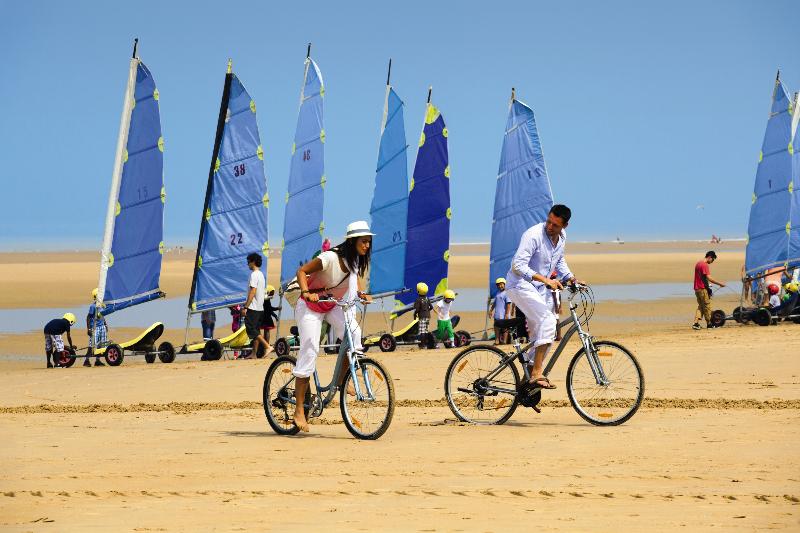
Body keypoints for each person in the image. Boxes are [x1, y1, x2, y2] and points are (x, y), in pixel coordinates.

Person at [292, 220, 373, 432]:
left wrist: (362, 295)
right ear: (353, 241)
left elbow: (355, 283)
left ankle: (341, 381)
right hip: (310, 306)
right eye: (364, 241)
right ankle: (299, 409)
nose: (367, 246)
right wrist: (305, 292)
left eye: (368, 242)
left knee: (354, 334)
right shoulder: (329, 258)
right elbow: (302, 271)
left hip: (331, 305)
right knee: (310, 348)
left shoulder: (355, 262)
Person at [505, 205, 582, 390]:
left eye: (555, 225)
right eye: (548, 221)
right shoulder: (533, 235)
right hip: (520, 285)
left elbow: (559, 260)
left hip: (540, 289)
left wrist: (571, 278)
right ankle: (537, 374)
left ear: (565, 226)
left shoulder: (562, 237)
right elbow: (518, 266)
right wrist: (546, 280)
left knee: (545, 334)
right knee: (548, 321)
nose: (550, 227)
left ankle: (528, 381)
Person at [240, 253, 270, 359]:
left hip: (253, 307)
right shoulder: (261, 274)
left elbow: (252, 291)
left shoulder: (254, 275)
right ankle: (254, 353)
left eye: (248, 261)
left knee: (251, 329)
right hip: (260, 307)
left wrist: (245, 307)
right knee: (256, 330)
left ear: (253, 262)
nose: (247, 263)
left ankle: (267, 346)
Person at [692, 251, 726, 330]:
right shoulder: (704, 265)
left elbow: (702, 278)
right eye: (713, 260)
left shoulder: (698, 263)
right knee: (707, 306)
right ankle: (710, 324)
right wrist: (720, 284)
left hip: (697, 289)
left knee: (701, 306)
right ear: (710, 257)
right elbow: (709, 278)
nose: (712, 261)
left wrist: (708, 287)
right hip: (702, 289)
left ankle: (696, 323)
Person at [85, 288, 107, 367]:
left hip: (102, 327)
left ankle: (97, 360)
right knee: (92, 344)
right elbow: (88, 317)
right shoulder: (93, 306)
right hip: (95, 328)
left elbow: (102, 316)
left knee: (101, 344)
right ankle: (86, 360)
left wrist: (105, 324)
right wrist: (89, 329)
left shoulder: (102, 305)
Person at [489, 278, 511, 344]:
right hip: (497, 314)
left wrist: (507, 314)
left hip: (504, 315)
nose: (500, 286)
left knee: (505, 329)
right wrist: (490, 310)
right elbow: (495, 303)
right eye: (498, 285)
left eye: (501, 284)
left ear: (505, 284)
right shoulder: (498, 293)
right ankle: (497, 341)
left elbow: (508, 304)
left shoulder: (507, 293)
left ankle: (504, 342)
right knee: (496, 327)